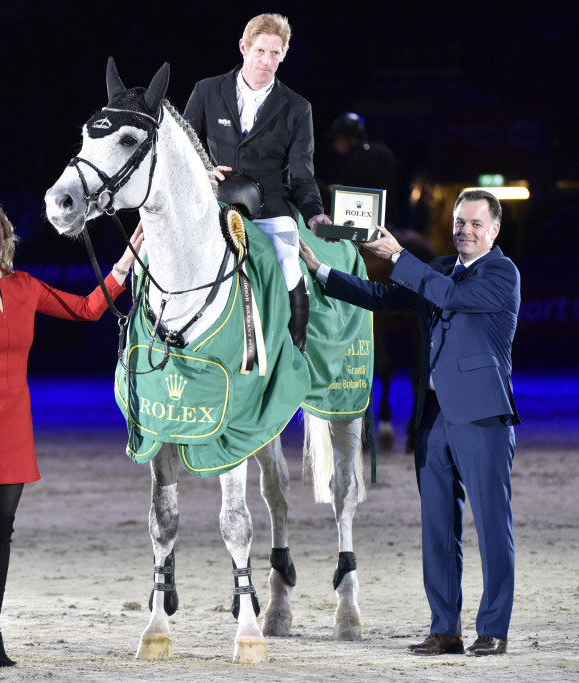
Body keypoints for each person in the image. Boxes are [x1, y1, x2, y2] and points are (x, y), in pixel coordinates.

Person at [0, 192, 143, 669]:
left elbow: (87, 309)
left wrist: (126, 261)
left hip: (13, 422)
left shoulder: (24, 286)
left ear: (4, 233)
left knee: (1, 531)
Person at [299, 189, 520, 657]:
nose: (465, 230)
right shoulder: (437, 268)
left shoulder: (502, 273)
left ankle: (493, 628)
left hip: (482, 418)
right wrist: (321, 271)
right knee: (437, 529)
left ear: (494, 230)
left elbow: (453, 298)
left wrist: (398, 254)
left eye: (476, 224)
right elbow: (381, 296)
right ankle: (446, 629)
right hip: (432, 418)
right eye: (460, 222)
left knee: (493, 529)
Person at [183, 12, 332, 353]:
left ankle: (295, 355)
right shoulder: (206, 91)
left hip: (272, 208)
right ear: (244, 48)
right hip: (217, 204)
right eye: (260, 51)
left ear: (285, 53)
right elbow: (185, 146)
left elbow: (302, 173)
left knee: (288, 264)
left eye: (275, 53)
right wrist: (204, 171)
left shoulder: (297, 107)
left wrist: (313, 213)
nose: (267, 61)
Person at [319, 112, 403, 229]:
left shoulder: (353, 162)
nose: (335, 144)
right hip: (393, 225)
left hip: (368, 227)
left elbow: (348, 203)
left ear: (351, 138)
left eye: (338, 138)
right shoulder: (384, 151)